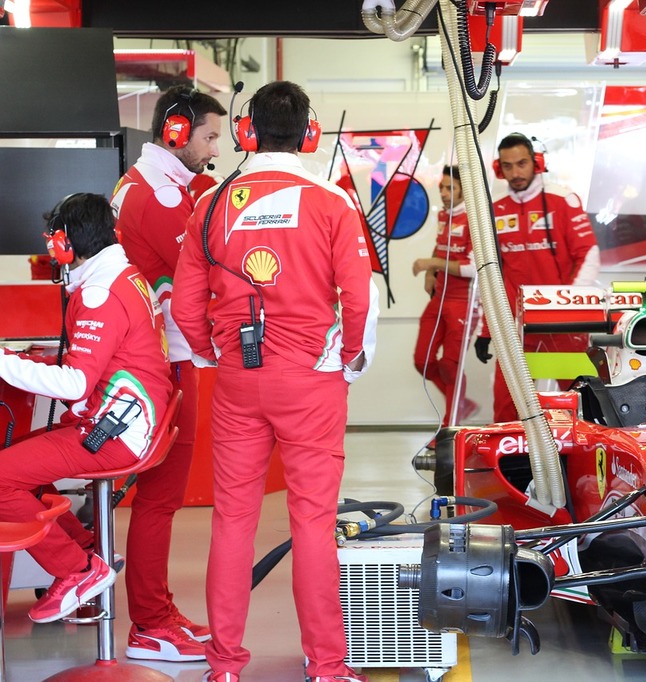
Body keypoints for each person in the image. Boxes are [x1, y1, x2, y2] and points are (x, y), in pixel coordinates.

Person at [172, 80, 379, 682]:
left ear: (246, 132)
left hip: (237, 378)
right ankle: (328, 667)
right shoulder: (332, 201)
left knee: (232, 521)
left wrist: (213, 357)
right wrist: (349, 356)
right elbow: (358, 298)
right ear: (309, 135)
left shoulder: (210, 204)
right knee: (312, 522)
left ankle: (226, 666)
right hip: (311, 382)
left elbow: (186, 307)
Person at [0, 193, 172, 624]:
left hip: (112, 432)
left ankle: (77, 571)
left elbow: (76, 382)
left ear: (65, 242)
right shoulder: (122, 274)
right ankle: (88, 551)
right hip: (125, 421)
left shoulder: (99, 292)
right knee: (21, 473)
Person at [109, 83, 226, 662]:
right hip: (159, 360)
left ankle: (154, 609)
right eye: (207, 137)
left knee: (160, 496)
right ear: (175, 131)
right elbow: (201, 276)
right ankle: (149, 623)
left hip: (152, 356)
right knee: (160, 497)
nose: (213, 151)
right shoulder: (155, 194)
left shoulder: (155, 184)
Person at [479, 132, 600, 422]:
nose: (515, 172)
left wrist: (568, 306)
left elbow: (589, 254)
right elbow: (489, 274)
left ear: (537, 163)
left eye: (522, 163)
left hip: (561, 323)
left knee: (579, 401)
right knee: (508, 405)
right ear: (499, 169)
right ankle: (512, 464)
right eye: (507, 166)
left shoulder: (562, 200)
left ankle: (580, 462)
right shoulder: (494, 211)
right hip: (516, 329)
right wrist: (486, 330)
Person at [412, 165, 478, 428]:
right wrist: (432, 272)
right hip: (439, 299)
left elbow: (473, 268)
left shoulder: (475, 220)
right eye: (442, 187)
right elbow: (442, 247)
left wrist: (433, 263)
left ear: (465, 189)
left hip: (464, 302)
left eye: (451, 188)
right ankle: (462, 403)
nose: (444, 192)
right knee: (422, 361)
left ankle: (450, 428)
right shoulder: (445, 215)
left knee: (450, 366)